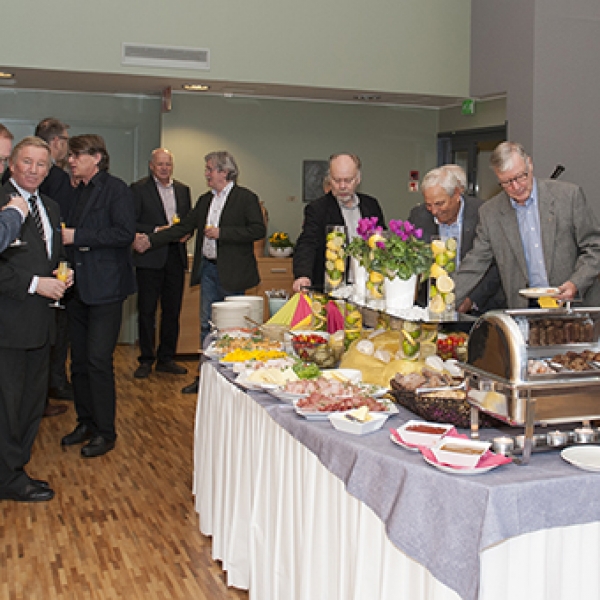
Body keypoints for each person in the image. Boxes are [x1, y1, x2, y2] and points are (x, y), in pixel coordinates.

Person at [134, 151, 265, 395]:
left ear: (224, 172)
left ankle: (230, 380)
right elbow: (183, 227)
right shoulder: (206, 200)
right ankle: (204, 377)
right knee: (207, 326)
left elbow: (258, 230)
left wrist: (222, 233)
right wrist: (150, 240)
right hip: (208, 270)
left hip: (233, 273)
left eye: (209, 169)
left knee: (232, 328)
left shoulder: (245, 198)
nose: (206, 174)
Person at [0, 136, 71, 502]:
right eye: (26, 162)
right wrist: (34, 284)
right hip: (8, 324)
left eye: (41, 164)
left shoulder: (51, 207)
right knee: (7, 408)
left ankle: (16, 471)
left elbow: (51, 256)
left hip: (42, 325)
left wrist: (62, 274)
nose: (33, 169)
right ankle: (7, 478)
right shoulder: (3, 203)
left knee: (31, 405)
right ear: (12, 164)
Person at [60, 134, 136, 458]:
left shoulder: (116, 189)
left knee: (98, 361)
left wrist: (77, 236)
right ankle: (86, 422)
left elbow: (124, 233)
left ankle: (106, 432)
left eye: (77, 155)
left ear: (97, 158)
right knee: (78, 362)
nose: (71, 161)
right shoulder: (77, 191)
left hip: (106, 289)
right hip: (78, 288)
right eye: (70, 155)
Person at [454, 142, 600, 309]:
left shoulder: (568, 196)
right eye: (506, 182)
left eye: (520, 177)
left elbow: (595, 247)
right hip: (526, 308)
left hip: (574, 305)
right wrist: (446, 300)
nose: (516, 187)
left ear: (529, 164)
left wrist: (576, 283)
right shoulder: (490, 213)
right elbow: (475, 262)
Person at [409, 165, 505, 313]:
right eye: (429, 205)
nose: (434, 211)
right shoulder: (418, 216)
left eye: (440, 203)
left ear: (456, 194)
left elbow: (496, 264)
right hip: (432, 306)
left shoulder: (483, 213)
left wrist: (471, 300)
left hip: (478, 307)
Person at [131, 148, 192, 379]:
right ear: (151, 166)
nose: (164, 168)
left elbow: (189, 221)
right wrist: (158, 231)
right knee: (147, 311)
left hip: (175, 257)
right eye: (160, 164)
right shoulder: (138, 189)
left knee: (172, 311)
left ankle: (166, 358)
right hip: (150, 257)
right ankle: (146, 359)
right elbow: (131, 222)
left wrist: (187, 232)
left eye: (168, 164)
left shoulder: (183, 190)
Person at [292, 153, 385, 292]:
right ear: (329, 179)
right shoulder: (317, 209)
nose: (342, 186)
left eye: (348, 180)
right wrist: (302, 275)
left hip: (368, 287)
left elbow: (382, 241)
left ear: (358, 179)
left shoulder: (371, 205)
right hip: (333, 287)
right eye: (336, 180)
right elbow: (307, 243)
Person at [35, 117, 77, 405]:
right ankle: (55, 384)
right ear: (56, 142)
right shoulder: (58, 179)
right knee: (57, 331)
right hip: (53, 266)